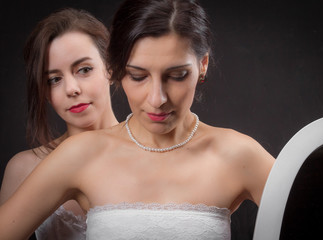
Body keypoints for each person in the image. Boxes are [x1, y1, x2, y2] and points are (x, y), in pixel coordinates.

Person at [0, 0, 275, 239]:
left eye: (176, 75)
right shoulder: (81, 153)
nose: (157, 99)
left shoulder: (238, 154)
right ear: (117, 69)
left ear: (202, 65)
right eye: (138, 76)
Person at [0, 8, 118, 240]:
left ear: (111, 68)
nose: (71, 89)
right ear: (43, 91)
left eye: (84, 70)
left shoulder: (150, 150)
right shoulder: (25, 168)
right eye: (54, 79)